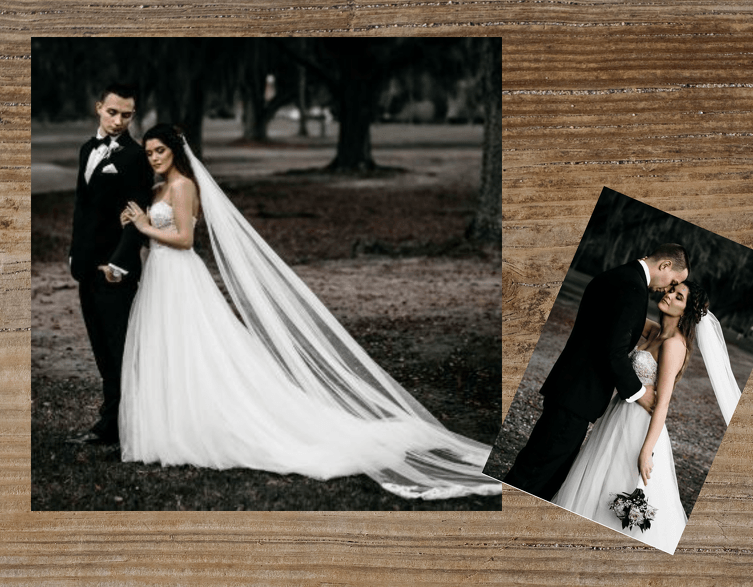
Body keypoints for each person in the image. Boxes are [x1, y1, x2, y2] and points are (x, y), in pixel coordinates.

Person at [116, 123, 502, 500]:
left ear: (175, 150)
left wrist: (145, 227)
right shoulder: (157, 188)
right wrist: (140, 225)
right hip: (158, 276)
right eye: (149, 153)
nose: (154, 158)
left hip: (181, 276)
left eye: (160, 151)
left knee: (199, 349)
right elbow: (155, 234)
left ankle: (207, 424)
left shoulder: (183, 187)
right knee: (171, 351)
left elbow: (184, 239)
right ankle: (176, 422)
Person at [550, 280, 733, 555]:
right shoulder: (656, 331)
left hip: (639, 426)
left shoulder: (674, 344)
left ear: (685, 312)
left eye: (678, 296)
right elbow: (627, 314)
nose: (670, 295)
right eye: (672, 289)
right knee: (598, 474)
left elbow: (663, 403)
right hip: (618, 416)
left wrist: (647, 451)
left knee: (620, 484)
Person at [502, 245, 691, 499]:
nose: (668, 288)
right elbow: (613, 351)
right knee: (533, 474)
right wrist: (638, 392)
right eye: (673, 281)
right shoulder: (632, 289)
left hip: (571, 392)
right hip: (577, 397)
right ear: (665, 265)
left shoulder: (620, 276)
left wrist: (669, 330)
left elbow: (619, 327)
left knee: (550, 476)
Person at [67, 84, 153, 446]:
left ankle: (124, 426)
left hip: (114, 272)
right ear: (99, 107)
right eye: (113, 112)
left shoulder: (136, 158)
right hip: (86, 267)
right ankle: (110, 423)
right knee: (101, 349)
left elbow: (138, 216)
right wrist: (75, 254)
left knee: (120, 350)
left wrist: (118, 265)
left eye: (127, 115)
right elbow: (82, 208)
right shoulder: (88, 148)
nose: (119, 121)